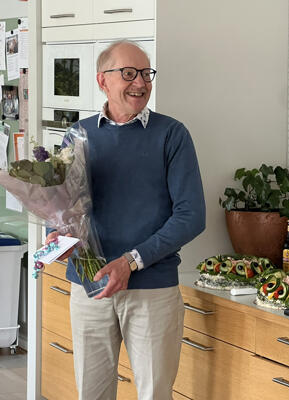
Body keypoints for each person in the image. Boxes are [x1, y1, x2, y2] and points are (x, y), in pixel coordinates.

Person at [46, 40, 206, 400]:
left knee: (154, 394)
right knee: (92, 393)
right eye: (129, 73)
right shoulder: (78, 134)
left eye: (146, 74)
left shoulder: (171, 134)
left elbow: (191, 216)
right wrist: (55, 237)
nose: (140, 83)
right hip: (90, 287)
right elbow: (60, 205)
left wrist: (131, 261)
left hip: (152, 290)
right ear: (103, 80)